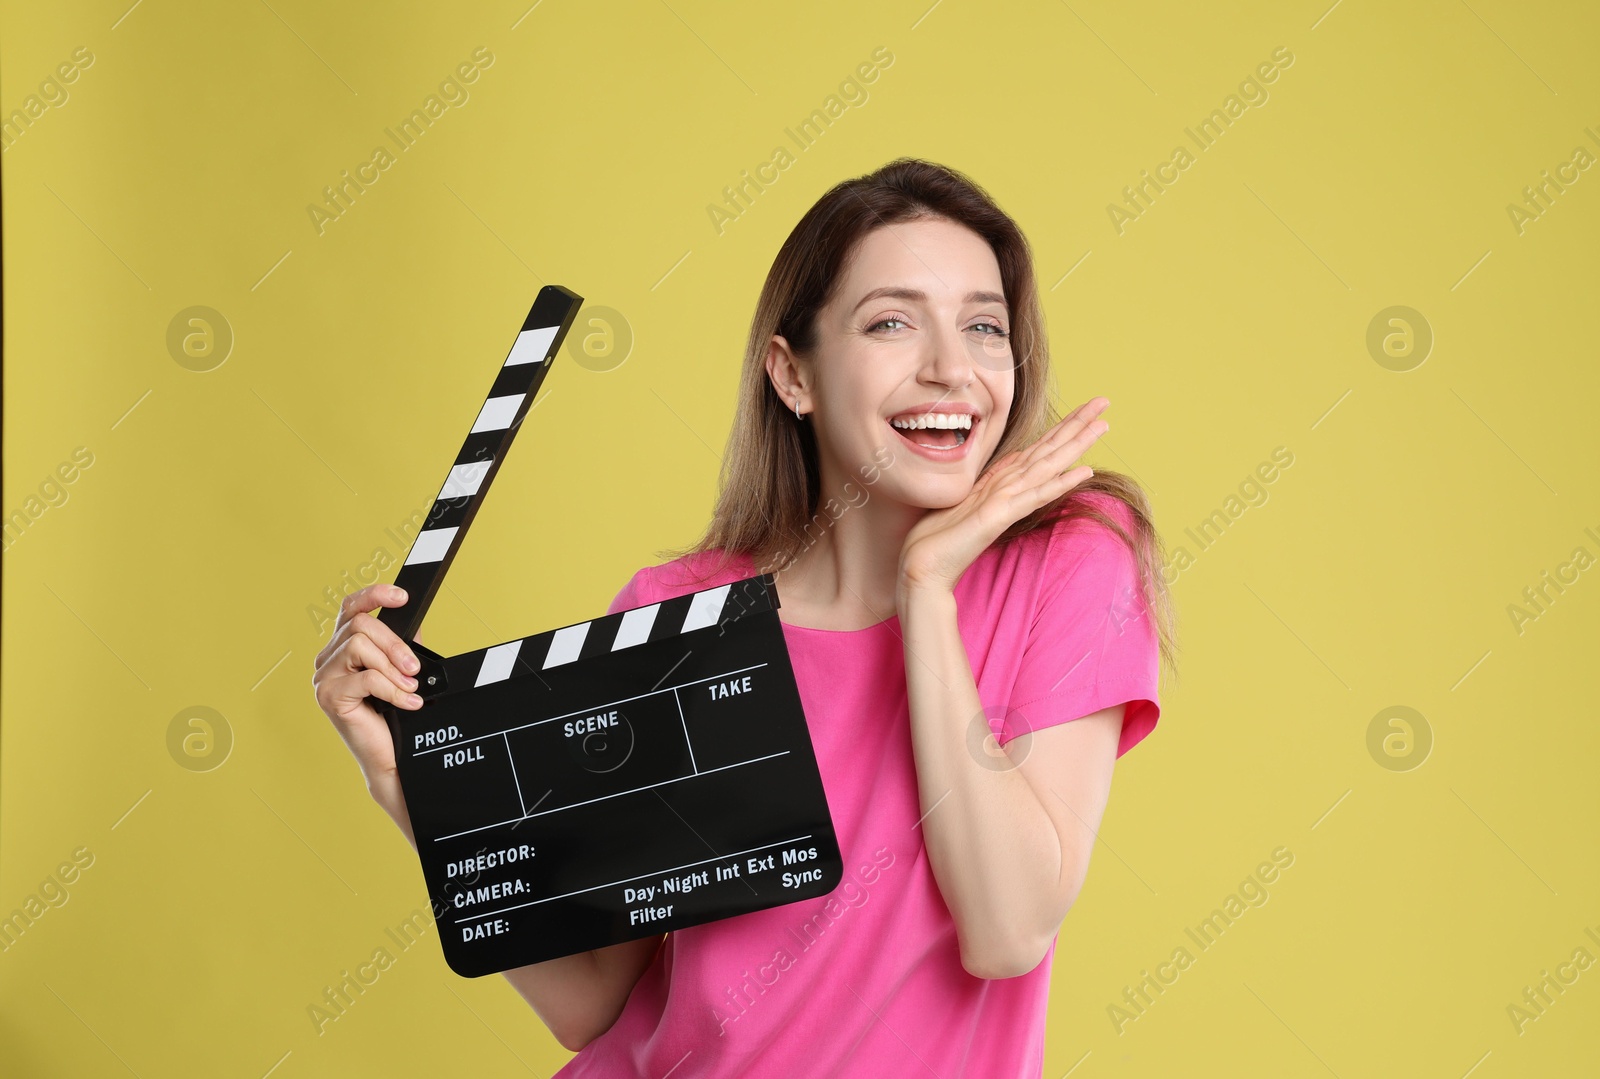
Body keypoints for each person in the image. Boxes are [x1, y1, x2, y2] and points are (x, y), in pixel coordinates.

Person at [313, 157, 1177, 1077]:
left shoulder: (1073, 560)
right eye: (891, 321)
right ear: (791, 374)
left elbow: (1005, 931)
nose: (950, 367)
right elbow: (590, 996)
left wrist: (927, 591)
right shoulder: (675, 614)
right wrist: (407, 779)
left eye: (983, 326)